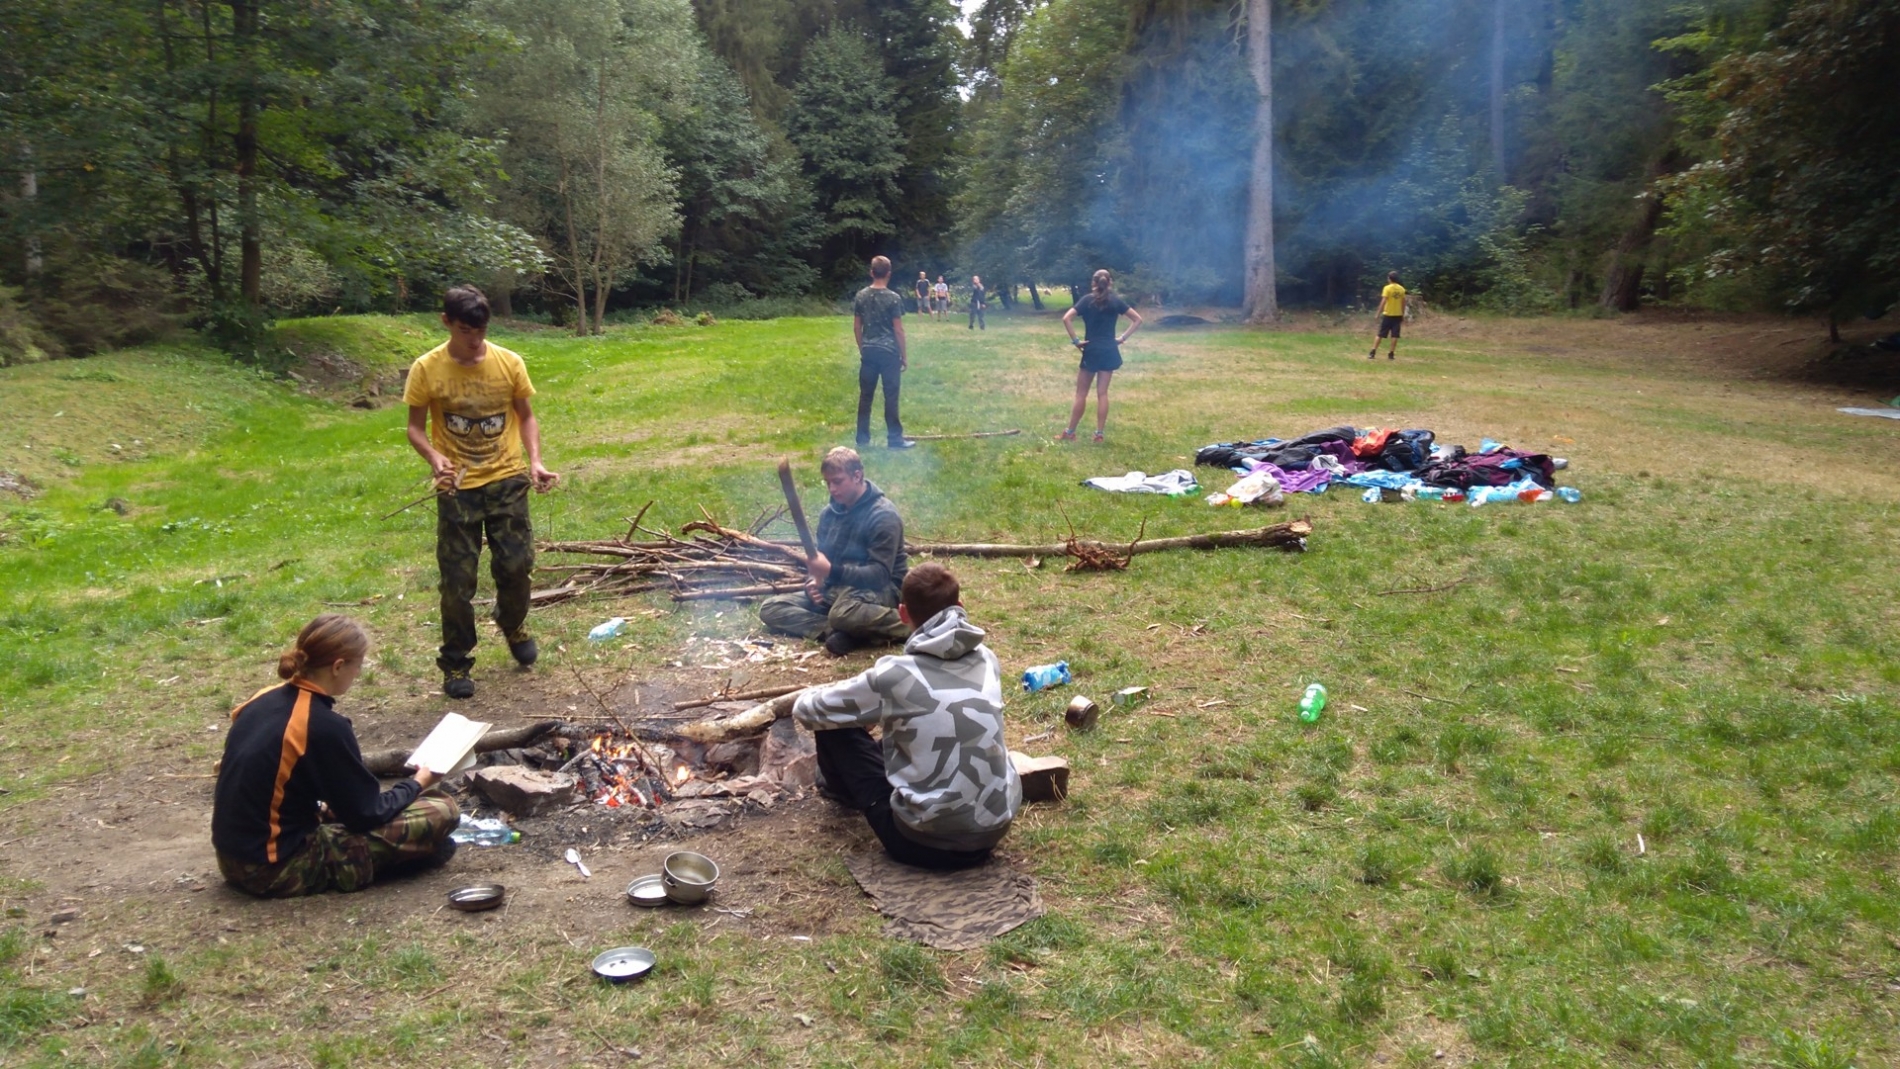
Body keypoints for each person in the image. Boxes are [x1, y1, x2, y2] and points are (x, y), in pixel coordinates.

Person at [793, 562, 1021, 869]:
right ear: (960, 605)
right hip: (993, 831)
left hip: (920, 843)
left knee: (834, 726)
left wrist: (856, 703)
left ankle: (842, 791)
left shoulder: (894, 674)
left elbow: (807, 711)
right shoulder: (987, 659)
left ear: (902, 613)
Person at [213, 615, 461, 897]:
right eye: (358, 666)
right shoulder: (322, 726)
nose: (358, 674)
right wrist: (419, 781)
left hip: (230, 856)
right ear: (338, 666)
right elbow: (366, 815)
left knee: (353, 809)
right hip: (272, 869)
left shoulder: (262, 698)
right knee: (442, 809)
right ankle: (384, 862)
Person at [403, 285, 559, 699]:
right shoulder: (426, 369)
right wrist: (435, 459)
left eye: (481, 330)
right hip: (457, 487)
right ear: (447, 323)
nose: (475, 340)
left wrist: (536, 461)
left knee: (515, 565)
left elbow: (526, 417)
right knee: (457, 580)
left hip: (506, 477)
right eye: (465, 330)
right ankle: (456, 663)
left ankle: (513, 621)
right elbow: (415, 429)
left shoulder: (509, 363)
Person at [759, 447, 910, 656]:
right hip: (838, 591)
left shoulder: (883, 515)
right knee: (771, 608)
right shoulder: (828, 515)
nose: (832, 488)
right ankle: (838, 632)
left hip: (881, 590)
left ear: (857, 476)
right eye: (828, 482)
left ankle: (913, 625)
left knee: (842, 614)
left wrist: (831, 571)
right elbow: (821, 561)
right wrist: (814, 581)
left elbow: (880, 575)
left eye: (838, 481)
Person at [1060, 268, 1143, 442]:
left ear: (1093, 283)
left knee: (1081, 394)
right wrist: (1122, 338)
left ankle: (1070, 433)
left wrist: (1076, 341)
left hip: (1091, 349)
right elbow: (1138, 319)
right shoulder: (1115, 301)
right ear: (1110, 282)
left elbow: (1066, 318)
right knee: (1102, 393)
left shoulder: (1086, 301)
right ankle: (1099, 434)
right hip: (1109, 350)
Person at [850, 256, 913, 449]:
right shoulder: (893, 298)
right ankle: (894, 439)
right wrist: (904, 355)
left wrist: (863, 348)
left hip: (869, 351)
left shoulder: (860, 296)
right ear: (889, 274)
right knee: (890, 396)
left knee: (865, 397)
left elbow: (856, 327)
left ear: (871, 272)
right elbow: (898, 330)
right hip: (889, 353)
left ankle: (862, 440)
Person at [1370, 271, 1407, 360]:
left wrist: (1378, 313)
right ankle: (1391, 353)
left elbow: (1383, 301)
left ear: (1389, 279)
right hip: (1397, 314)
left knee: (1380, 334)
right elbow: (1403, 303)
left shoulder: (1387, 288)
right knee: (1395, 335)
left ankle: (1373, 352)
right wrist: (1402, 313)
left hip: (1388, 314)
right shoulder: (1402, 289)